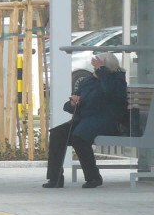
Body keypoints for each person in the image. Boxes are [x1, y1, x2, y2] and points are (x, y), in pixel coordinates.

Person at [44, 53, 127, 189]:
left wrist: (102, 71)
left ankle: (93, 177)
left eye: (99, 66)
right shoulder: (88, 81)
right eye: (96, 67)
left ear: (106, 68)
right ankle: (55, 178)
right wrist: (72, 103)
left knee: (79, 137)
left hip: (105, 121)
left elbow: (110, 91)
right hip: (84, 120)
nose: (95, 69)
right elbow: (70, 106)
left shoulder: (116, 80)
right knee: (57, 134)